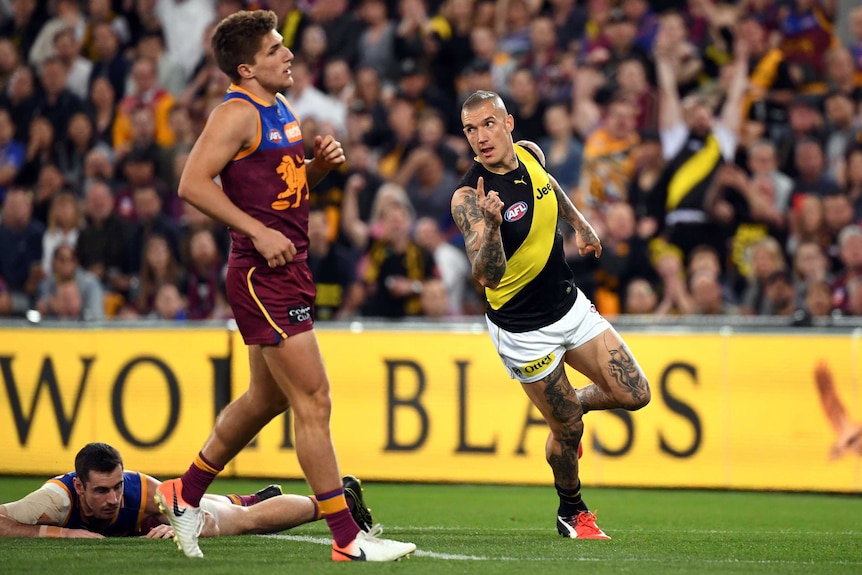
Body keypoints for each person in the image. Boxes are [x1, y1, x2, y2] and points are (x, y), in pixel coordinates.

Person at [154, 10, 415, 562]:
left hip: (286, 267)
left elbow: (283, 189)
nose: (287, 54)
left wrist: (316, 168)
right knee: (314, 400)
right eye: (275, 49)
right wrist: (254, 230)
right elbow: (191, 184)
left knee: (264, 399)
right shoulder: (235, 112)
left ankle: (184, 494)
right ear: (246, 67)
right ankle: (347, 539)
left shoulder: (280, 107)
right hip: (261, 273)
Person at [450, 90, 651, 540]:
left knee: (636, 392)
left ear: (509, 123)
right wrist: (495, 227)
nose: (480, 137)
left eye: (487, 124)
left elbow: (550, 187)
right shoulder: (469, 198)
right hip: (522, 330)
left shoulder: (529, 154)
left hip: (569, 304)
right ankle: (571, 511)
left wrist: (580, 223)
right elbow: (487, 275)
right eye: (469, 129)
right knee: (570, 431)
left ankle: (565, 406)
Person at [0, 442, 373, 539]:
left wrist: (179, 528)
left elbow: (202, 522)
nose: (113, 499)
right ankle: (252, 496)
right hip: (147, 513)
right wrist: (66, 533)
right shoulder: (54, 500)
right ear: (79, 486)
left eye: (117, 486)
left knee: (241, 521)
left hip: (164, 502)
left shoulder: (142, 493)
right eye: (101, 491)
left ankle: (340, 500)